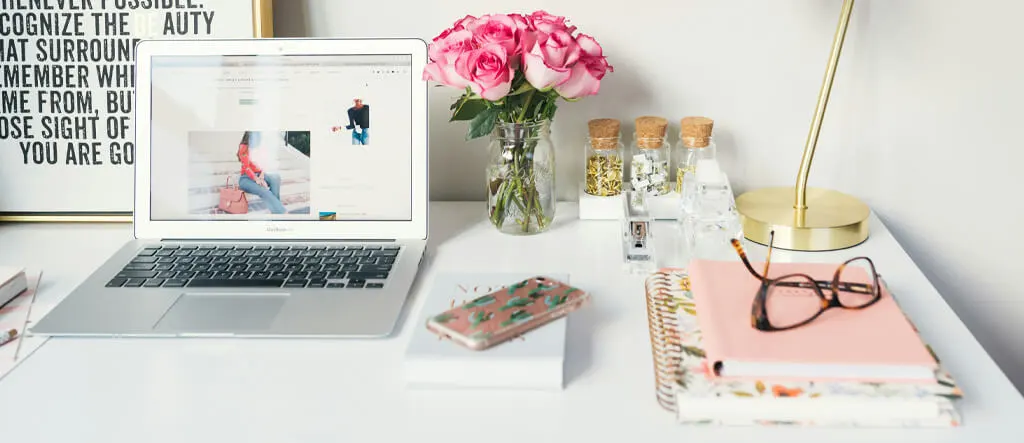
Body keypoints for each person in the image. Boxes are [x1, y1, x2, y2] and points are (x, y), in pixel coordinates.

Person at [236, 131, 286, 214]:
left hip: (259, 175)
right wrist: (258, 180)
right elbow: (247, 168)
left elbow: (264, 164)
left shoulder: (259, 148)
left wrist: (262, 176)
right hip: (246, 178)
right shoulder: (243, 147)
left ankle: (277, 210)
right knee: (264, 191)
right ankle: (281, 212)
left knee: (276, 178)